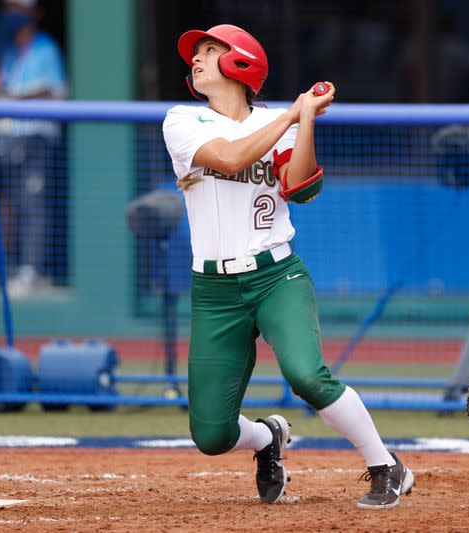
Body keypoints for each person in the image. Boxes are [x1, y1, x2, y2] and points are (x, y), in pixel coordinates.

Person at [162, 24, 414, 509]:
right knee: (211, 434)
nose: (195, 59)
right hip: (213, 288)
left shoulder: (285, 121)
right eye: (196, 53)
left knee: (307, 375)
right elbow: (231, 158)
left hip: (276, 274)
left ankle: (385, 465)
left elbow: (302, 188)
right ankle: (266, 440)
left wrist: (307, 119)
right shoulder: (182, 120)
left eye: (210, 50)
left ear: (241, 63)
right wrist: (294, 114)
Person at [0, 0, 67, 296]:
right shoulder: (11, 51)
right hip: (9, 138)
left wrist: (14, 96)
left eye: (19, 8)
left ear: (35, 13)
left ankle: (33, 271)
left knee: (34, 204)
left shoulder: (46, 48)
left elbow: (56, 91)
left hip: (37, 137)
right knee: (10, 204)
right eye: (9, 7)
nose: (13, 13)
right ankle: (12, 269)